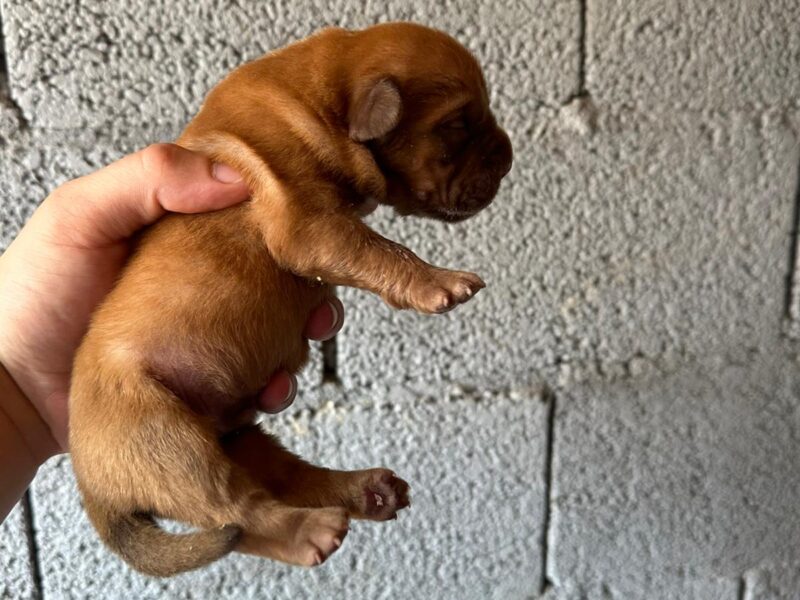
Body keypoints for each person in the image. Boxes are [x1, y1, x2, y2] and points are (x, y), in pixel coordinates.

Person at [0, 144, 345, 521]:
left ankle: (315, 504)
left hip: (141, 390)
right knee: (227, 470)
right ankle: (272, 525)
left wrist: (20, 391)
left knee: (238, 448)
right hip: (132, 382)